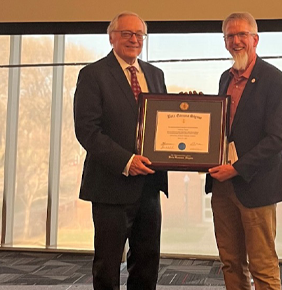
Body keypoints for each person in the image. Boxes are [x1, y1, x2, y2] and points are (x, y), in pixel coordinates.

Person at [73, 11, 168, 290]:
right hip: (110, 186)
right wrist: (127, 161)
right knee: (108, 265)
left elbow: (162, 122)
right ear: (112, 37)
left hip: (149, 186)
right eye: (126, 33)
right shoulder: (92, 75)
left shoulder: (155, 74)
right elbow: (87, 130)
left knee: (147, 263)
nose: (134, 39)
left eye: (139, 34)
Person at [206, 12, 282, 290]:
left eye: (242, 34)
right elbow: (223, 129)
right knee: (230, 262)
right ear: (224, 42)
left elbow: (277, 138)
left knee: (262, 264)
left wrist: (237, 168)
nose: (236, 41)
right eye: (230, 36)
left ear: (255, 39)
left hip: (256, 185)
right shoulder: (224, 79)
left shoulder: (274, 79)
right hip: (222, 186)